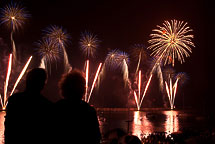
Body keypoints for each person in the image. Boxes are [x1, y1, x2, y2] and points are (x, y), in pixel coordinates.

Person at [4, 68, 53, 144]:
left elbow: (8, 127)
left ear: (27, 81)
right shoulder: (47, 105)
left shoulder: (14, 100)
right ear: (43, 83)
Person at [55, 69, 101, 144]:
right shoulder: (89, 111)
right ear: (83, 89)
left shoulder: (56, 108)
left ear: (63, 88)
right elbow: (96, 137)